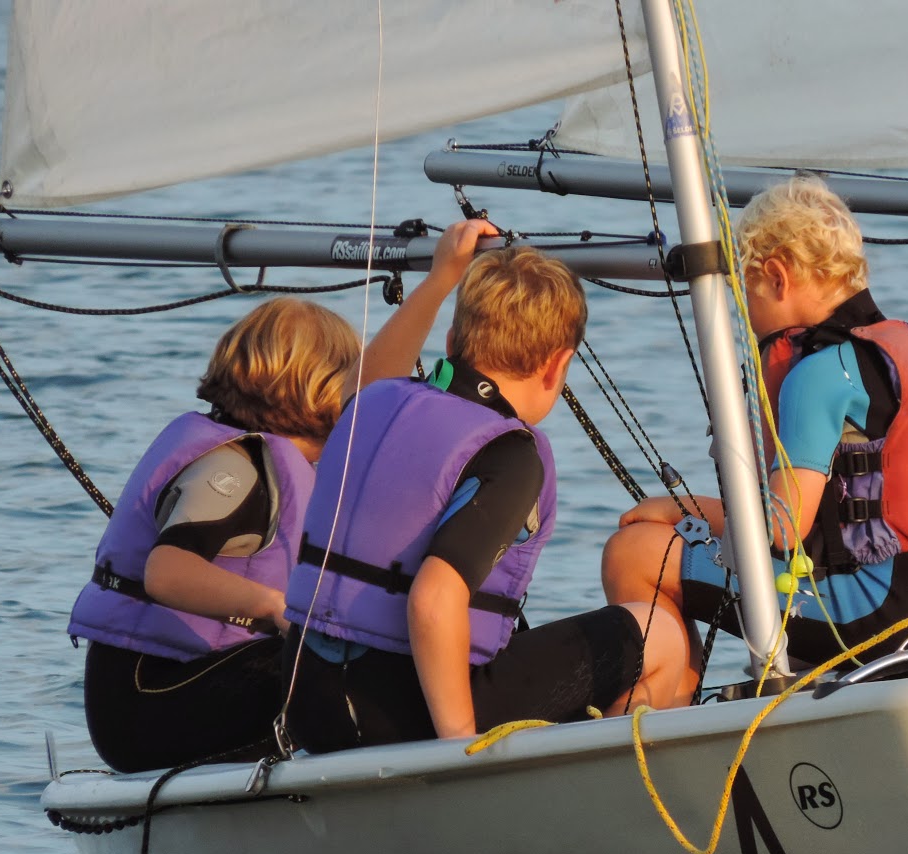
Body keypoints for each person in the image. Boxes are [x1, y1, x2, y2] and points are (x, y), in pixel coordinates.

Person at [281, 242, 693, 751]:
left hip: (307, 699)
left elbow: (362, 382)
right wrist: (461, 746)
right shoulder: (511, 454)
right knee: (661, 638)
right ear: (558, 366)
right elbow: (434, 597)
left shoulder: (370, 403)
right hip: (401, 712)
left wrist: (439, 280)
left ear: (452, 339)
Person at [601, 174, 908, 676]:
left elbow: (782, 528)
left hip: (866, 614)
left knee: (635, 553)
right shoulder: (905, 347)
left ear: (777, 277)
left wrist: (681, 509)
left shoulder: (820, 372)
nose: (745, 311)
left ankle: (664, 718)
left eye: (745, 292)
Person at [68, 295, 359, 772]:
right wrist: (274, 609)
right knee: (348, 674)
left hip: (182, 682)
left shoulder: (269, 460)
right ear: (320, 385)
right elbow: (167, 572)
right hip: (148, 695)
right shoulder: (234, 467)